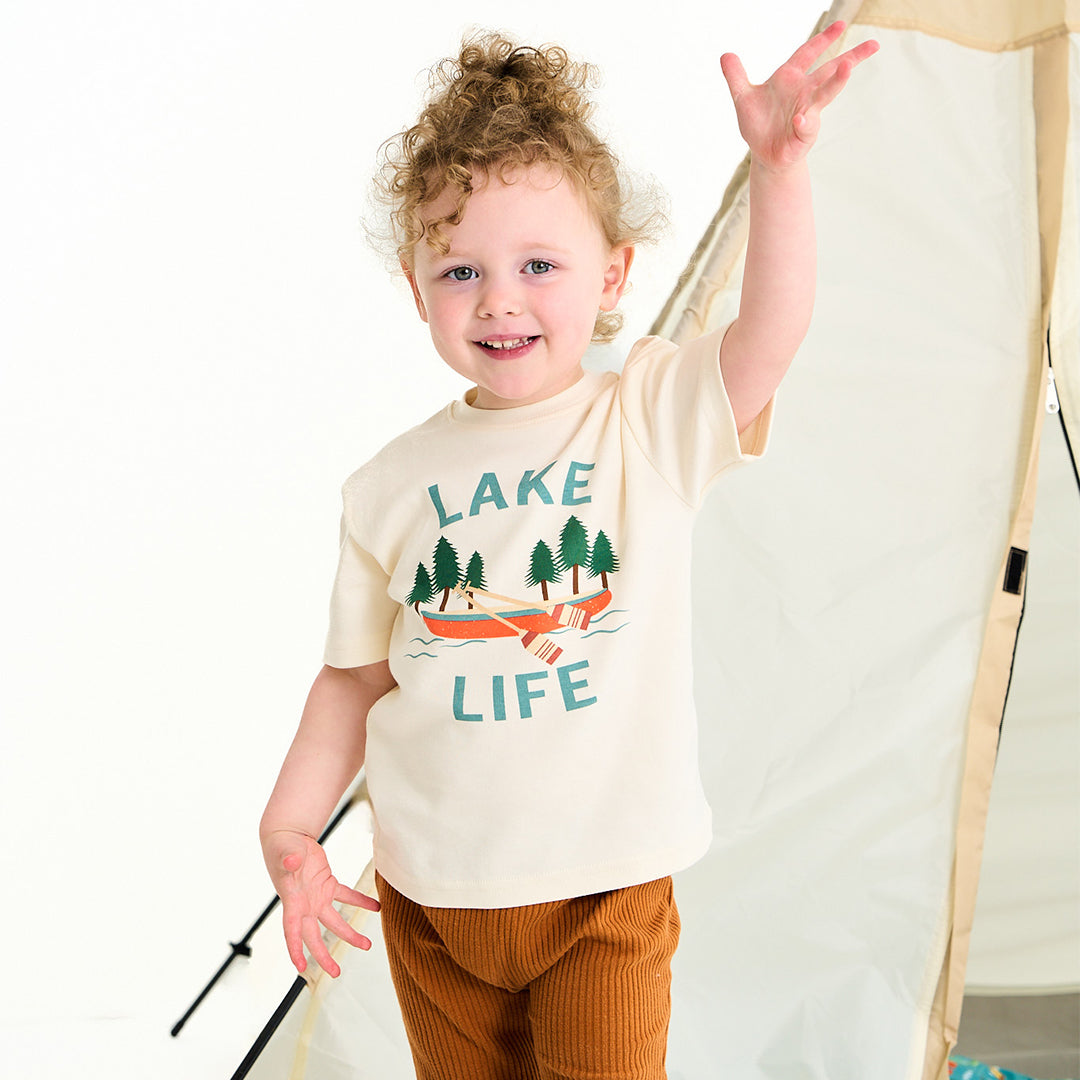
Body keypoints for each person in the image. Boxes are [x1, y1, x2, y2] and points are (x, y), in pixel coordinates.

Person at [260, 22, 878, 1080]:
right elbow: (354, 680)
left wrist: (779, 172)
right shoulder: (386, 485)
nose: (499, 298)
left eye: (539, 265)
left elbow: (769, 337)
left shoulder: (647, 417)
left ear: (613, 274)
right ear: (416, 286)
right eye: (460, 269)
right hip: (431, 899)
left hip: (602, 892)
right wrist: (290, 834)